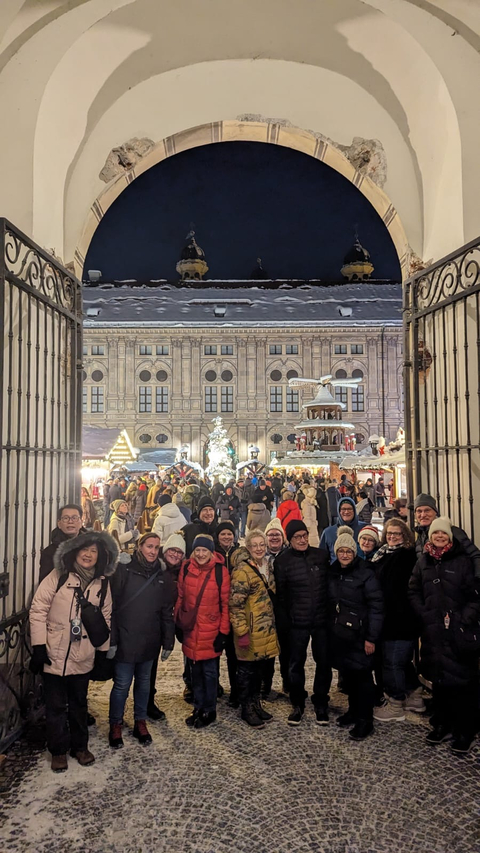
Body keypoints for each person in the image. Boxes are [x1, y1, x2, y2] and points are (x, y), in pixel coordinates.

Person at [29, 531, 118, 772]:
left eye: (93, 551)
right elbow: (38, 610)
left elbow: (106, 617)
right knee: (55, 706)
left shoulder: (102, 583)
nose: (88, 555)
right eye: (84, 550)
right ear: (75, 552)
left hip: (83, 654)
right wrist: (38, 646)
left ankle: (80, 746)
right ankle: (58, 750)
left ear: (100, 556)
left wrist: (102, 652)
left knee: (79, 704)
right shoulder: (57, 576)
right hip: (54, 652)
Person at [409, 517, 480, 754]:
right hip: (433, 631)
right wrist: (424, 613)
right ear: (430, 538)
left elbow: (474, 595)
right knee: (439, 681)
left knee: (462, 682)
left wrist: (463, 619)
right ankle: (441, 724)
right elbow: (413, 589)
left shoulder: (462, 561)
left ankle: (464, 731)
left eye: (443, 535)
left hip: (458, 631)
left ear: (450, 537)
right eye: (435, 535)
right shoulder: (423, 562)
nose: (439, 538)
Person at [108, 533, 175, 748]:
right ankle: (116, 723)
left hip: (149, 640)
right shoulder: (125, 569)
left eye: (156, 547)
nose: (153, 551)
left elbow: (166, 612)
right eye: (149, 546)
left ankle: (140, 721)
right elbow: (113, 607)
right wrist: (112, 639)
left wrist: (168, 641)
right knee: (122, 685)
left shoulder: (162, 575)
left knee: (144, 685)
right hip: (126, 638)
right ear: (140, 546)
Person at [327, 526, 384, 740]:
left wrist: (371, 638)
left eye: (348, 551)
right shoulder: (332, 572)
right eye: (341, 551)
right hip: (340, 634)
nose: (344, 555)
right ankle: (353, 711)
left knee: (362, 679)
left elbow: (377, 607)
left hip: (360, 635)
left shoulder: (365, 573)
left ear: (354, 553)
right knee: (349, 676)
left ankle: (365, 720)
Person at [274, 519, 330, 726]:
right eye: (297, 537)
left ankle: (321, 701)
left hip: (321, 621)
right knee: (295, 664)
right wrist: (286, 622)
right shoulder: (283, 561)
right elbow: (281, 595)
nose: (303, 539)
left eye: (305, 535)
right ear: (289, 540)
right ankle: (297, 702)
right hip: (297, 622)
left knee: (323, 663)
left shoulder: (321, 556)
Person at [370, 519, 424, 722]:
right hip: (391, 618)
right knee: (400, 661)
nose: (392, 537)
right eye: (389, 533)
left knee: (392, 664)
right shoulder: (384, 552)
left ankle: (396, 705)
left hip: (399, 618)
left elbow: (396, 589)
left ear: (406, 536)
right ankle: (415, 695)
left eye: (397, 534)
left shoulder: (406, 556)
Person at [174, 534, 230, 728]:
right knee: (194, 672)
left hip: (211, 630)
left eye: (204, 550)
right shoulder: (186, 568)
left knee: (210, 673)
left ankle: (209, 709)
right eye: (197, 550)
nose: (200, 554)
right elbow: (180, 596)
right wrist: (178, 623)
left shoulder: (220, 572)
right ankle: (198, 706)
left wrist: (223, 633)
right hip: (191, 629)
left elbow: (225, 604)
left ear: (211, 552)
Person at [229, 530, 279, 729]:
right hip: (249, 629)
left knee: (259, 670)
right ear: (248, 548)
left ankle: (256, 703)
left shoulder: (267, 566)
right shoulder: (242, 570)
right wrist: (241, 631)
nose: (259, 548)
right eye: (254, 545)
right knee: (246, 671)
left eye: (262, 545)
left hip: (265, 629)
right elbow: (235, 604)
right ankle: (246, 707)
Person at [148, 533, 186, 719]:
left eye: (180, 552)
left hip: (165, 623)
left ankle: (148, 702)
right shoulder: (155, 566)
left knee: (151, 667)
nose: (175, 554)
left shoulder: (182, 571)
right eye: (172, 550)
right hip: (147, 622)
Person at [413, 493, 480, 578]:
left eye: (427, 510)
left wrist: (477, 582)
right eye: (419, 511)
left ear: (435, 512)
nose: (423, 515)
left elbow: (475, 555)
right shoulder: (420, 536)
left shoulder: (452, 531)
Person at [214, 521, 241, 707]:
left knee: (234, 654)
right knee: (213, 652)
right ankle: (213, 687)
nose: (226, 537)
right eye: (223, 534)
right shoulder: (212, 554)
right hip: (215, 610)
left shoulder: (239, 554)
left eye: (229, 534)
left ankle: (236, 690)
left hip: (235, 610)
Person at [39, 504, 85, 582]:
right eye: (66, 518)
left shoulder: (91, 547)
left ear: (81, 522)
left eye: (74, 518)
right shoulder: (50, 553)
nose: (70, 521)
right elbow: (45, 582)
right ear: (59, 524)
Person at [320, 497, 366, 563]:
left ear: (354, 510)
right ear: (339, 511)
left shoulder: (364, 529)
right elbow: (322, 557)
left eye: (349, 509)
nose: (346, 512)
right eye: (343, 509)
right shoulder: (328, 532)